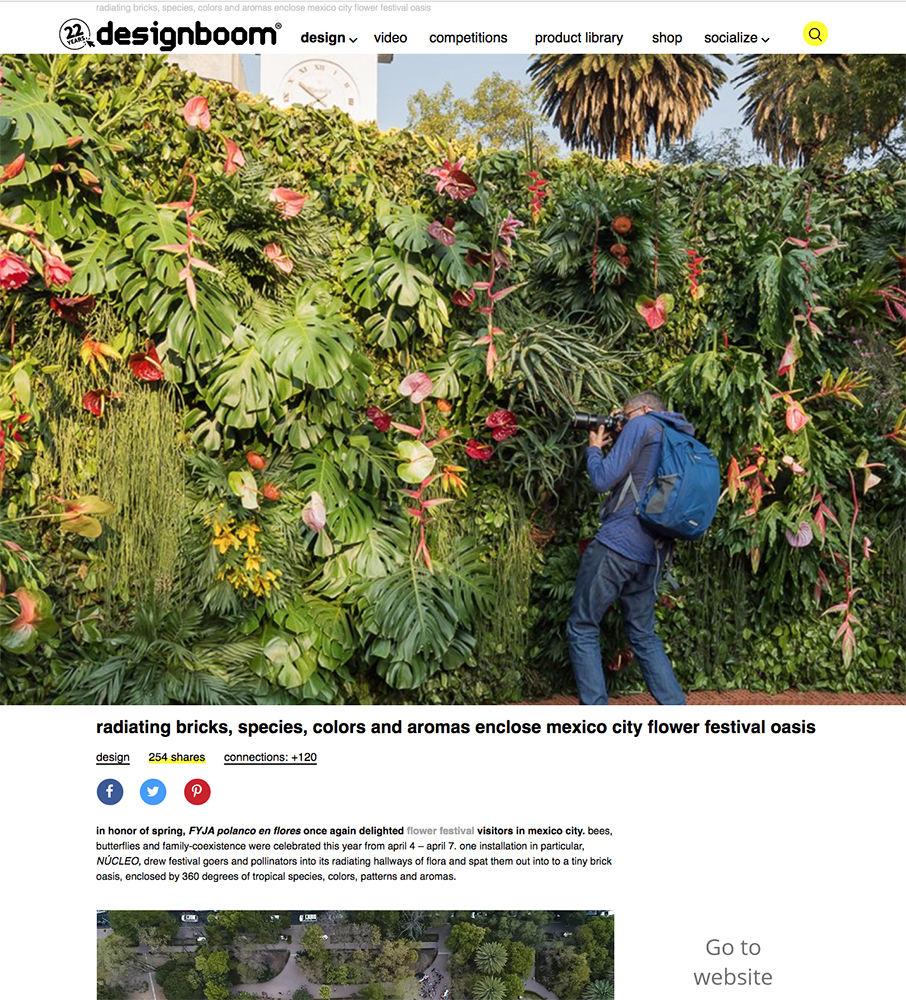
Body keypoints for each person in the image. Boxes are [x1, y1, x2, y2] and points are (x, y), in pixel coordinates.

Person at [567, 391, 689, 705]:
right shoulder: (675, 436)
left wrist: (594, 449)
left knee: (583, 625)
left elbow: (602, 480)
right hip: (653, 553)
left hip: (618, 544)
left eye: (625, 414)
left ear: (644, 409)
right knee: (643, 634)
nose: (622, 420)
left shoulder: (642, 425)